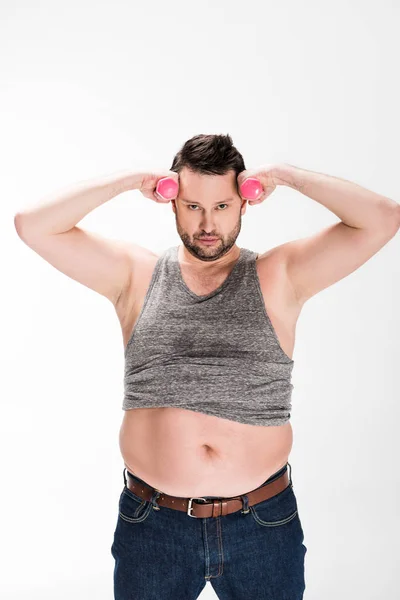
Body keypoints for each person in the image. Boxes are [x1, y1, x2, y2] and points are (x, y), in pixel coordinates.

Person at [15, 134, 399, 599]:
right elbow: (32, 226)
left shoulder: (280, 276)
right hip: (154, 525)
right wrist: (130, 180)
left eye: (222, 206)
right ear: (172, 203)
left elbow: (383, 219)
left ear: (245, 203)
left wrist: (286, 176)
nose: (207, 223)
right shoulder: (135, 276)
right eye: (193, 206)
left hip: (261, 524)